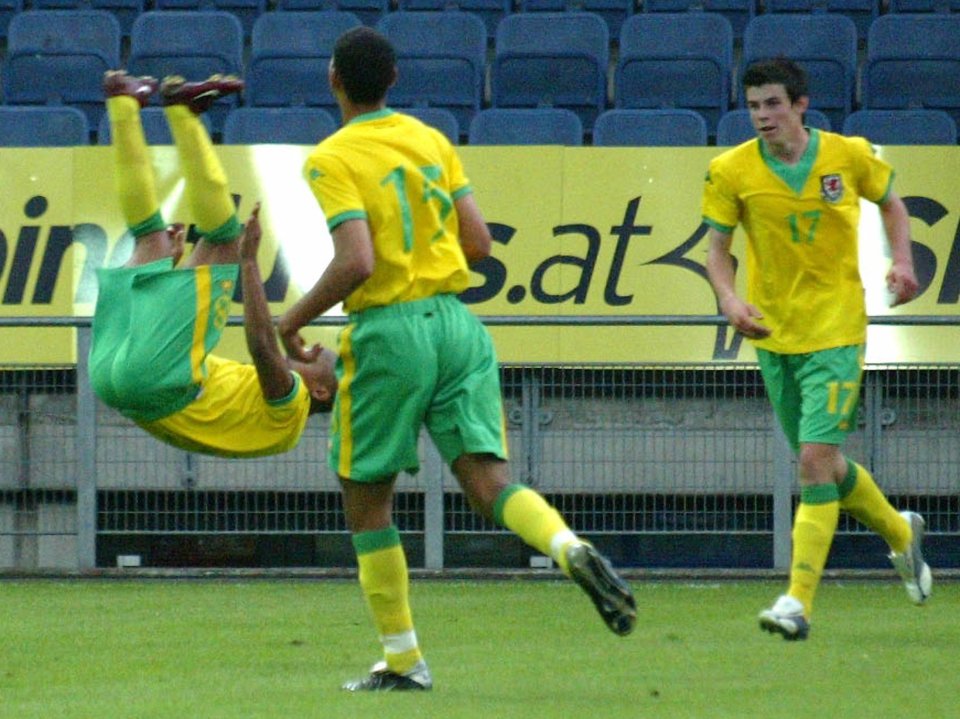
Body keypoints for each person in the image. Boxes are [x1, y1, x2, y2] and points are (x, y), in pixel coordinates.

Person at [277, 27, 637, 691]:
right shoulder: (430, 139)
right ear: (391, 82)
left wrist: (288, 322)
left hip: (389, 331)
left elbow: (358, 260)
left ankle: (403, 658)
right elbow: (478, 242)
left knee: (367, 501)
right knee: (489, 482)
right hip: (458, 326)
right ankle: (567, 545)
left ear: (334, 80)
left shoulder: (331, 157)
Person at [701, 57, 932, 641]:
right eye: (754, 106)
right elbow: (717, 250)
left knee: (810, 463)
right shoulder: (730, 170)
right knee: (825, 463)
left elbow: (893, 204)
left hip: (835, 328)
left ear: (800, 104)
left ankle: (796, 602)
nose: (763, 116)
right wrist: (728, 299)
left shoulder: (848, 154)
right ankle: (902, 535)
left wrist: (903, 262)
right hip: (772, 334)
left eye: (774, 104)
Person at [90, 70, 337, 458]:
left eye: (322, 358)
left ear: (320, 390)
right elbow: (179, 341)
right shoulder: (244, 396)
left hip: (157, 383)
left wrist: (250, 263)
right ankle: (123, 103)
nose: (316, 347)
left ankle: (183, 114)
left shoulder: (291, 408)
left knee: (226, 239)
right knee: (152, 239)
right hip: (116, 382)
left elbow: (260, 344)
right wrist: (172, 275)